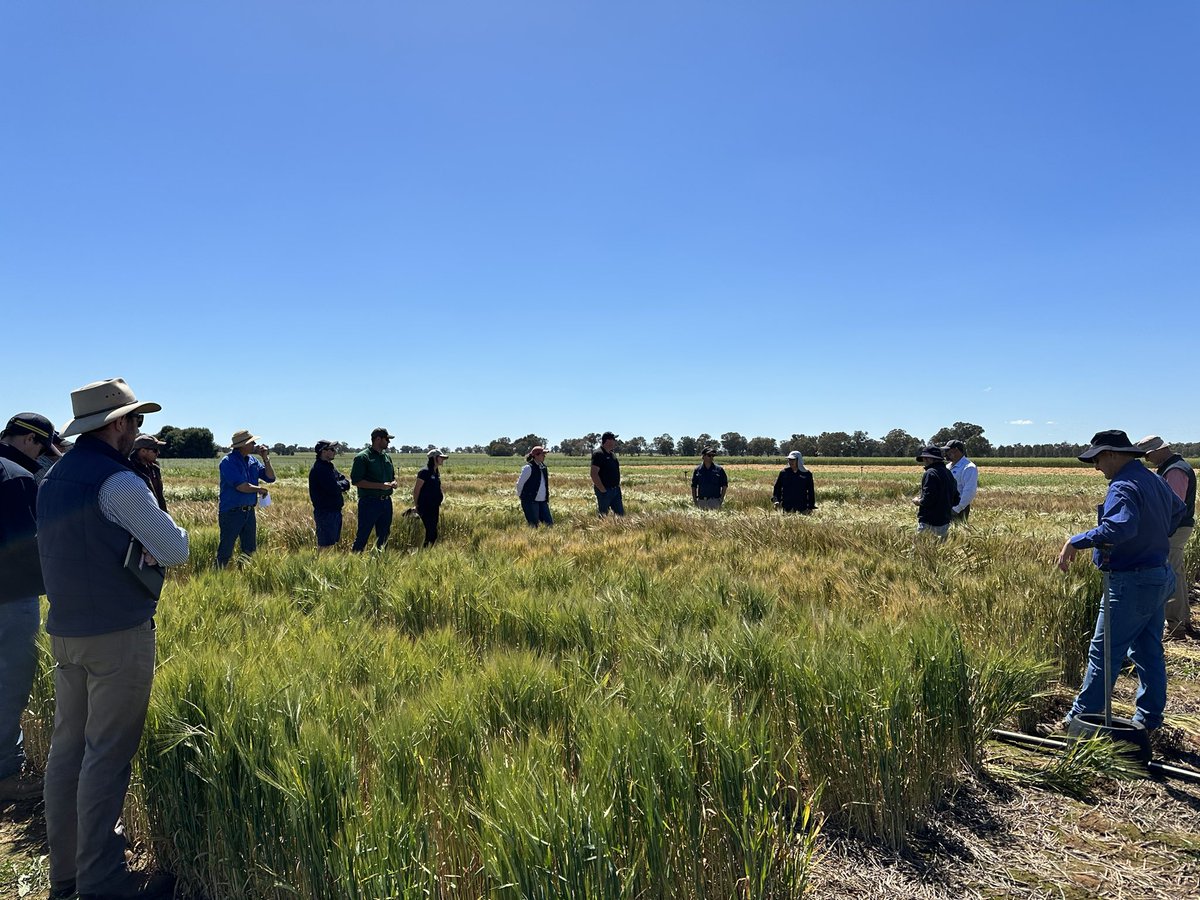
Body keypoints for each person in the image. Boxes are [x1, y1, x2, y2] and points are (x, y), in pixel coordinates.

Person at [37, 378, 188, 899]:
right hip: (117, 635)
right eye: (136, 421)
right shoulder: (119, 482)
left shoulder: (54, 476)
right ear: (117, 424)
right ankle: (102, 882)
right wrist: (149, 548)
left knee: (67, 752)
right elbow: (174, 549)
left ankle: (67, 875)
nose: (138, 431)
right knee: (106, 754)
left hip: (65, 631)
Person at [1055, 430, 1186, 733]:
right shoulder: (1153, 479)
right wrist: (1151, 536)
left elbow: (1120, 528)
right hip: (1158, 574)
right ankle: (1149, 719)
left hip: (1131, 581)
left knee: (1105, 653)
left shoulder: (1123, 485)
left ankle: (1079, 720)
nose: (1096, 467)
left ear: (1113, 454)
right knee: (1148, 650)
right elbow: (1178, 512)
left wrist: (1076, 541)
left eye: (1098, 459)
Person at [0, 413, 59, 803]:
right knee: (8, 684)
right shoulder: (16, 477)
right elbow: (29, 546)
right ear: (29, 442)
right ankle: (5, 773)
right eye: (41, 448)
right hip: (10, 598)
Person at [1136, 435, 1195, 640]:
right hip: (1177, 528)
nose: (1147, 459)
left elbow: (1173, 506)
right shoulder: (1173, 467)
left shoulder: (1175, 470)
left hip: (1174, 529)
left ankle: (1176, 627)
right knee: (1176, 572)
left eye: (1148, 454)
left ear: (1158, 451)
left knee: (1171, 576)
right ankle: (1182, 621)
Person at [216, 430, 275, 568]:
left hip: (249, 512)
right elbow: (241, 486)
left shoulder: (253, 461)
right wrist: (260, 489)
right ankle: (217, 575)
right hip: (232, 512)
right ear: (243, 445)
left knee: (249, 550)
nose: (255, 444)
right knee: (226, 550)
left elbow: (270, 478)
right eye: (252, 442)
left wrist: (266, 458)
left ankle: (245, 575)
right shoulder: (228, 462)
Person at [351, 427, 397, 552]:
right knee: (363, 536)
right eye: (386, 439)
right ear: (378, 439)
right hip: (369, 502)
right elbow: (356, 481)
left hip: (386, 502)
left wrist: (393, 483)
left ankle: (380, 565)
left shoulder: (387, 457)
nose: (389, 442)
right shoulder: (362, 457)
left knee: (384, 537)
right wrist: (380, 486)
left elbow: (392, 476)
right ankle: (353, 564)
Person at [912, 446, 958, 540]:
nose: (924, 461)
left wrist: (917, 501)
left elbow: (928, 499)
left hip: (929, 521)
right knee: (940, 550)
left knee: (920, 549)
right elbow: (956, 499)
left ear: (929, 458)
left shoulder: (930, 473)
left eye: (924, 458)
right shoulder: (948, 473)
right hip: (944, 521)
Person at [413, 449, 447, 546]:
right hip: (425, 507)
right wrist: (417, 506)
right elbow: (416, 490)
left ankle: (426, 552)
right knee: (431, 531)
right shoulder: (424, 472)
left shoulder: (436, 472)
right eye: (441, 458)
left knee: (433, 532)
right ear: (434, 458)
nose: (443, 460)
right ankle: (424, 553)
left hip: (434, 507)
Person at [127, 434, 168, 512]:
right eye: (155, 450)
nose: (158, 453)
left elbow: (160, 496)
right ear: (143, 451)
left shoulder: (155, 469)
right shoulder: (130, 470)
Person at [942, 439, 978, 524]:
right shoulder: (947, 467)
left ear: (956, 450)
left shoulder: (969, 467)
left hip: (958, 508)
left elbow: (969, 491)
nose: (946, 454)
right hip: (945, 505)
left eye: (948, 451)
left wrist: (956, 509)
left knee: (956, 533)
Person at [515, 446, 553, 527]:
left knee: (549, 524)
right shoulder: (528, 468)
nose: (544, 456)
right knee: (533, 525)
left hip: (543, 500)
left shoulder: (543, 467)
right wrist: (521, 496)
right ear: (536, 455)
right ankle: (532, 539)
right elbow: (519, 484)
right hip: (530, 500)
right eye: (542, 454)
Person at [591, 431, 623, 517]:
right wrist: (602, 490)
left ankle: (617, 530)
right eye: (613, 439)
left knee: (620, 516)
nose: (615, 442)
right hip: (605, 491)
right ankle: (601, 530)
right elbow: (594, 474)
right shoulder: (599, 454)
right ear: (608, 441)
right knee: (603, 515)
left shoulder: (612, 454)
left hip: (615, 490)